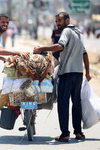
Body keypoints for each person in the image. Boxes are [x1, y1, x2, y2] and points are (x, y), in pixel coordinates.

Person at [34, 12, 91, 142]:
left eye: (60, 20)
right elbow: (85, 54)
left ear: (67, 20)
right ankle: (78, 132)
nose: (57, 23)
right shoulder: (79, 33)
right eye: (56, 21)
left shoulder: (66, 31)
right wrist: (87, 72)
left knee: (63, 104)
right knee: (76, 103)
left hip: (66, 73)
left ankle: (65, 134)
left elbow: (60, 46)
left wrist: (41, 48)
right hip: (78, 74)